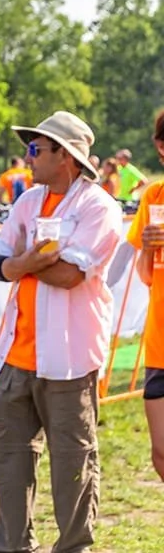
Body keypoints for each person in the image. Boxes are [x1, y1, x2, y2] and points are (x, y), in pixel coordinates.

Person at [0, 111, 122, 553]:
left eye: (35, 150)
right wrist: (35, 260)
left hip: (69, 359)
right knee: (9, 466)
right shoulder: (27, 201)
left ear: (65, 156)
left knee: (73, 467)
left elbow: (70, 277)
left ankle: (73, 548)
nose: (28, 159)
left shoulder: (98, 206)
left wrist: (24, 261)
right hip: (14, 358)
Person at [127, 108, 164, 482]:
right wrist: (150, 249)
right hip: (159, 343)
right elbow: (145, 276)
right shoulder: (154, 196)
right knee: (161, 454)